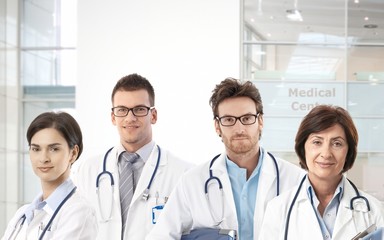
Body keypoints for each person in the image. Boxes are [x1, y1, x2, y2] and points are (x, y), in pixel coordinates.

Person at [146, 77, 305, 240]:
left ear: (260, 121)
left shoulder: (295, 180)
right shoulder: (192, 182)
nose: (239, 128)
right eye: (229, 120)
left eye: (247, 118)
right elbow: (160, 236)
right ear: (217, 126)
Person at [71, 73, 194, 240]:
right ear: (113, 117)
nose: (130, 118)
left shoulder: (183, 173)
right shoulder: (88, 170)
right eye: (122, 110)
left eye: (139, 109)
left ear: (154, 115)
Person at [259, 105, 384, 240]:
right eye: (317, 142)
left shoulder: (375, 211)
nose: (326, 154)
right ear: (303, 147)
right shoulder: (278, 209)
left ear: (348, 152)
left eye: (337, 144)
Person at [1, 111, 98, 240]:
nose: (43, 158)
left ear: (73, 153)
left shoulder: (79, 211)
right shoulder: (22, 215)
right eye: (36, 149)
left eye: (54, 149)